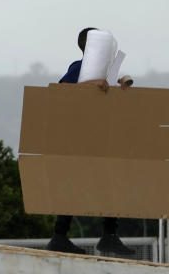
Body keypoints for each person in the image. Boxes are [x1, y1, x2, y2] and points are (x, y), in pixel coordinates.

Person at [46, 27, 138, 259]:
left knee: (109, 185)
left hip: (98, 138)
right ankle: (61, 235)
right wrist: (93, 84)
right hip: (78, 139)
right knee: (76, 186)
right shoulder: (79, 67)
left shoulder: (107, 73)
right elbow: (61, 90)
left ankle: (106, 234)